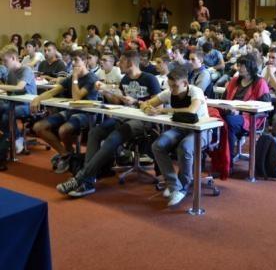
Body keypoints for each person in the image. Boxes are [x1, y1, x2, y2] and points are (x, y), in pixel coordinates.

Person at [56, 50, 160, 198]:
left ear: (130, 63)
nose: (119, 64)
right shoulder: (124, 80)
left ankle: (81, 179)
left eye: (122, 61)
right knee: (95, 132)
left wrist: (137, 102)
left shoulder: (150, 79)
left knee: (112, 139)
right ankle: (89, 181)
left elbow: (158, 108)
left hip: (143, 121)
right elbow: (119, 102)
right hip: (124, 116)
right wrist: (106, 92)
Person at [141, 67, 209, 206]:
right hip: (180, 129)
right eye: (170, 86)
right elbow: (145, 103)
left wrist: (164, 110)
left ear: (185, 83)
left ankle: (182, 187)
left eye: (175, 86)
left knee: (184, 147)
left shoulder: (196, 91)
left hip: (201, 131)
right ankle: (174, 185)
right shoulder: (169, 92)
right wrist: (148, 108)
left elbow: (191, 111)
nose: (172, 89)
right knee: (157, 145)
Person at [31, 50, 99, 174]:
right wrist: (37, 99)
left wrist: (74, 77)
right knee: (39, 127)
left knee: (63, 130)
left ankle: (70, 159)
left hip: (87, 114)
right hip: (70, 111)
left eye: (76, 60)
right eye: (72, 60)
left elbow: (76, 97)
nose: (73, 63)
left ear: (84, 61)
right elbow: (52, 92)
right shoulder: (71, 77)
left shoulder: (91, 78)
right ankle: (67, 155)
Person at [222, 54, 270, 165]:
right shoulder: (234, 81)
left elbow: (265, 107)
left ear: (250, 66)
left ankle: (227, 161)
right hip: (230, 114)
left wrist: (240, 111)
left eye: (241, 66)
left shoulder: (260, 83)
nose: (238, 68)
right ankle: (223, 160)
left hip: (250, 118)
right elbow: (224, 99)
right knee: (220, 121)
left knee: (228, 122)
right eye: (238, 65)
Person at [0, 45, 37, 164]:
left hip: (29, 105)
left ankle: (15, 138)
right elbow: (9, 90)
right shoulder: (10, 73)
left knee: (6, 114)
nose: (3, 63)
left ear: (14, 58)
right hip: (14, 103)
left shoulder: (26, 70)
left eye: (5, 60)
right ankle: (14, 137)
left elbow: (19, 87)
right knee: (4, 110)